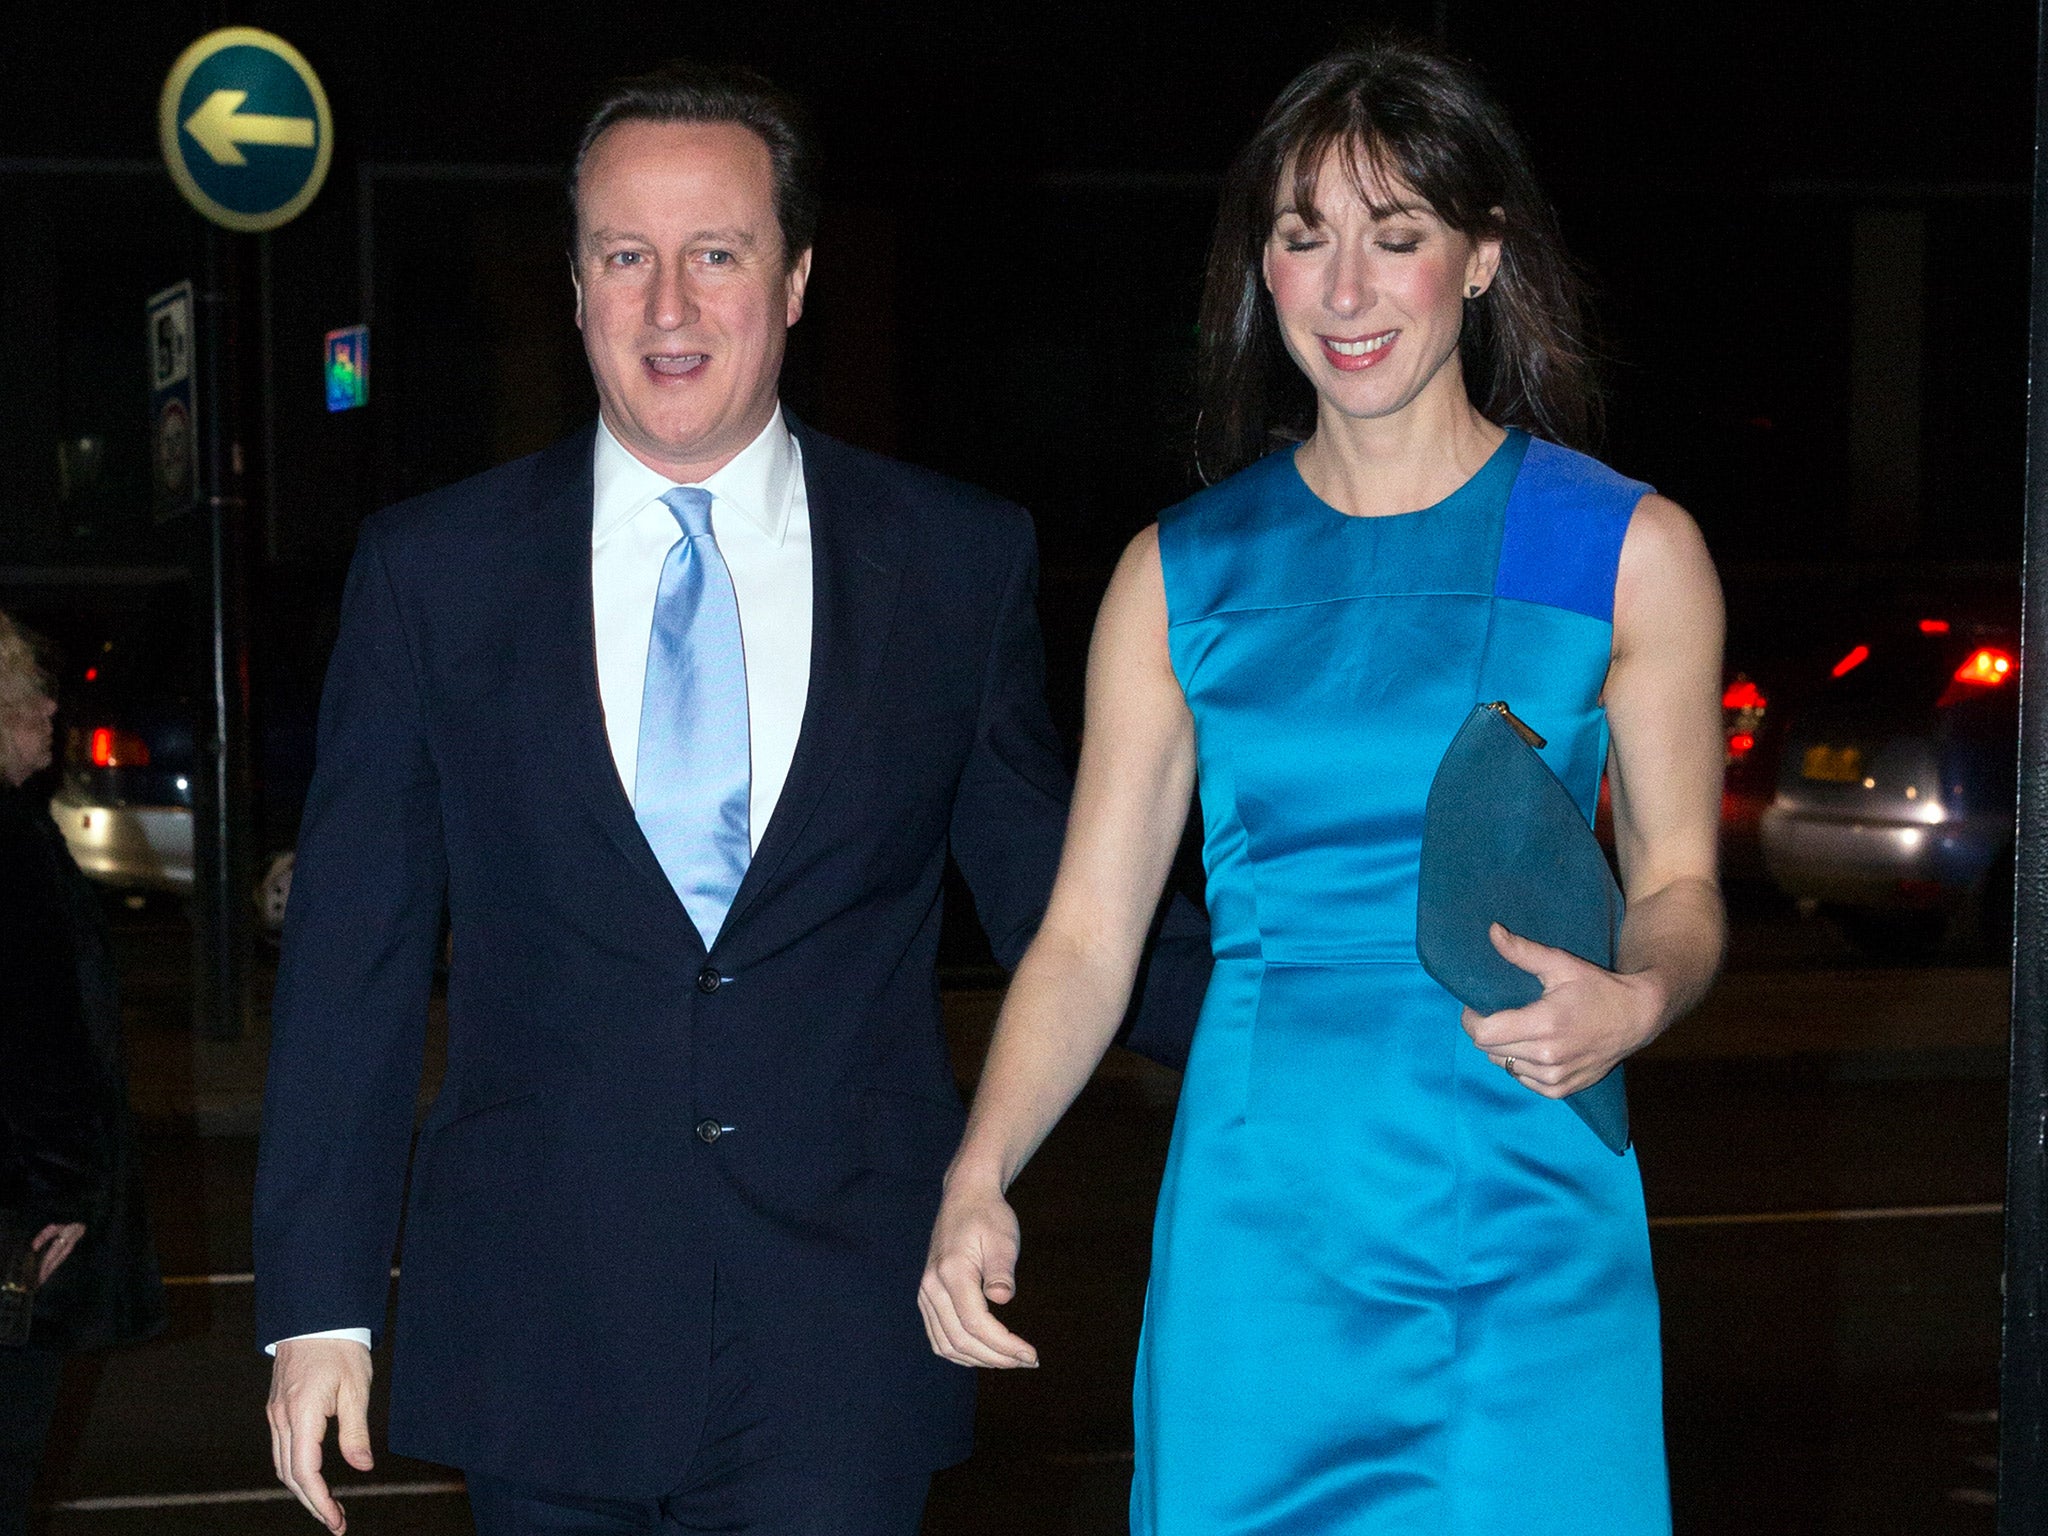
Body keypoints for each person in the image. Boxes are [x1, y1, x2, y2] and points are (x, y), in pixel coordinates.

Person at [254, 58, 1203, 1536]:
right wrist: (317, 1305)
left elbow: (1062, 901)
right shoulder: (433, 574)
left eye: (718, 254)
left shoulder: (952, 566)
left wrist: (1326, 1008)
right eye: (627, 257)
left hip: (844, 1333)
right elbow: (354, 959)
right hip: (539, 1329)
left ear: (798, 278)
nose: (670, 307)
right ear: (575, 287)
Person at [921, 37, 1724, 1535]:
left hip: (1529, 1206)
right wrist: (981, 1172)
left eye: (1397, 237)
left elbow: (1679, 887)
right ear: (1263, 270)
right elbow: (1090, 937)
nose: (1346, 291)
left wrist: (1637, 999)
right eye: (1305, 239)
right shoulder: (1183, 575)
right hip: (1262, 1223)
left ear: (1481, 259)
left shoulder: (1624, 550)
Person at [0, 612, 166, 1536]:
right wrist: (56, 1195)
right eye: (28, 695)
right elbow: (39, 1035)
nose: (51, 709)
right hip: (15, 1221)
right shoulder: (14, 846)